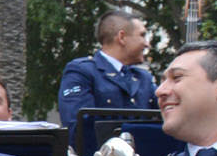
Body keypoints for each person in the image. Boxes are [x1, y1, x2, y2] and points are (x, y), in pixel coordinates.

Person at [57, 8, 154, 138]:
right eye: (142, 35)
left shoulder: (143, 78)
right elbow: (78, 129)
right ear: (122, 37)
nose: (147, 44)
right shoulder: (82, 72)